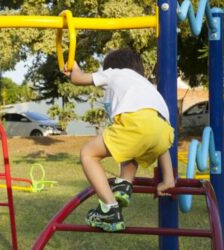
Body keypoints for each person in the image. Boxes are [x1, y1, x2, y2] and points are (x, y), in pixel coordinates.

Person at [62, 48, 175, 232]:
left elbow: (78, 79)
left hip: (135, 125)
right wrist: (168, 179)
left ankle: (109, 209)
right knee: (133, 147)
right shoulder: (145, 86)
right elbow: (157, 138)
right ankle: (124, 185)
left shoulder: (114, 73)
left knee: (88, 154)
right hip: (164, 131)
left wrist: (73, 67)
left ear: (110, 68)